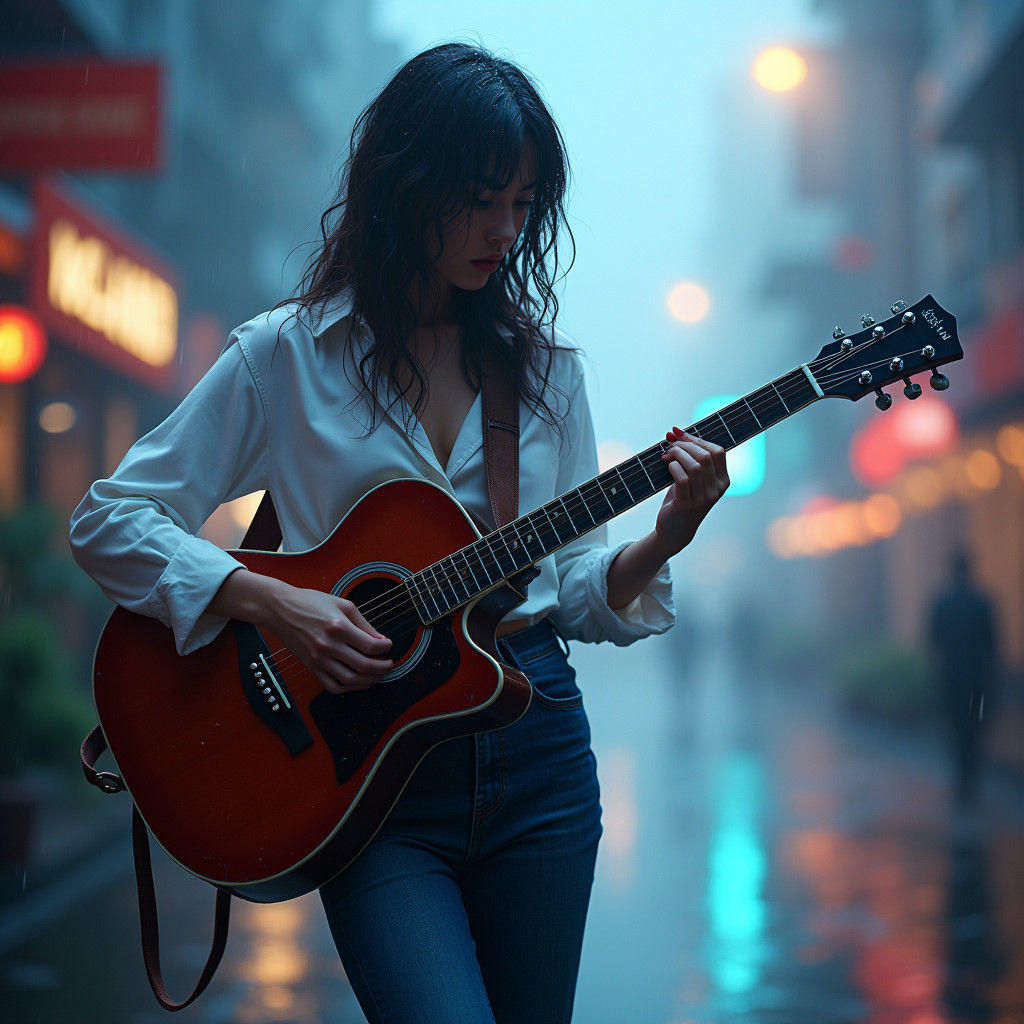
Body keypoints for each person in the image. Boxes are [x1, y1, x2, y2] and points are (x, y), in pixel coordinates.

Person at [69, 43, 729, 1024]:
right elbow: (109, 518)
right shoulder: (284, 358)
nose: (504, 230)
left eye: (522, 203)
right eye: (479, 197)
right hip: (369, 778)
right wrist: (273, 601)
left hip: (537, 754)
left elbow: (573, 588)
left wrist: (666, 537)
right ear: (405, 184)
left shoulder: (545, 376)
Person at [927, 548, 999, 807]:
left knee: (956, 728)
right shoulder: (982, 602)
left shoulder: (942, 603)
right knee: (975, 728)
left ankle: (961, 782)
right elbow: (993, 645)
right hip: (977, 679)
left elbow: (932, 642)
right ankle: (972, 781)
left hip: (951, 678)